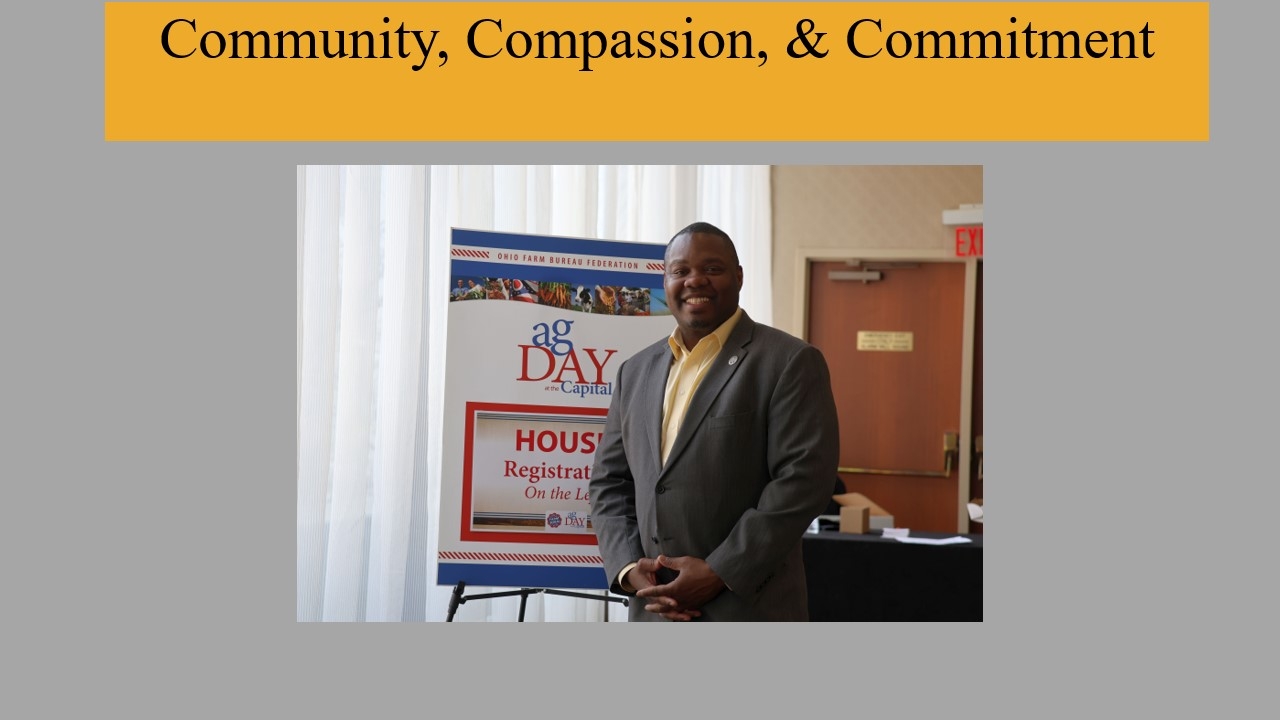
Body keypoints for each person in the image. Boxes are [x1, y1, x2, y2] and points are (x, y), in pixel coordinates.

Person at [588, 221, 840, 621]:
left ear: (738, 277)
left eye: (712, 268)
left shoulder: (788, 361)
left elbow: (803, 480)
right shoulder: (634, 371)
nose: (695, 281)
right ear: (665, 279)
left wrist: (720, 571)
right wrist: (629, 569)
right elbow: (609, 481)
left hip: (745, 608)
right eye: (680, 271)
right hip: (653, 609)